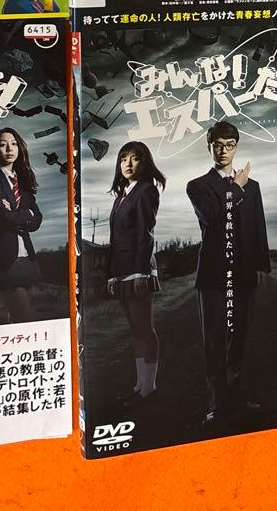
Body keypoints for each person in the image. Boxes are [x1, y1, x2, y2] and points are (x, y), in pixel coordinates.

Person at [186, 121, 270, 428]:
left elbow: (258, 227)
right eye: (218, 145)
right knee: (214, 341)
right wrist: (236, 188)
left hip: (244, 273)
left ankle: (235, 396)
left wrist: (262, 265)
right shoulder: (197, 185)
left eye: (229, 145)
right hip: (212, 274)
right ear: (209, 147)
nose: (223, 151)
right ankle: (215, 404)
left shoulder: (253, 186)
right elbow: (212, 217)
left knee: (239, 337)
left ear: (237, 147)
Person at [107, 141, 166, 408]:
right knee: (135, 331)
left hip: (138, 270)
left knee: (145, 329)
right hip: (121, 271)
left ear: (145, 163)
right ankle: (140, 385)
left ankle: (149, 387)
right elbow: (115, 239)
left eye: (135, 158)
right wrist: (112, 275)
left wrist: (143, 270)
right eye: (123, 159)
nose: (128, 164)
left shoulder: (146, 190)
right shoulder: (121, 195)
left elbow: (146, 233)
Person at [0, 128, 43, 324]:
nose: (9, 149)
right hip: (3, 254)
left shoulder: (23, 180)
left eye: (13, 144)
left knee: (19, 316)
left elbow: (37, 219)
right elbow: (2, 217)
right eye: (3, 145)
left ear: (19, 148)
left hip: (25, 253)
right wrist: (25, 214)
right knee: (25, 318)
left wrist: (17, 213)